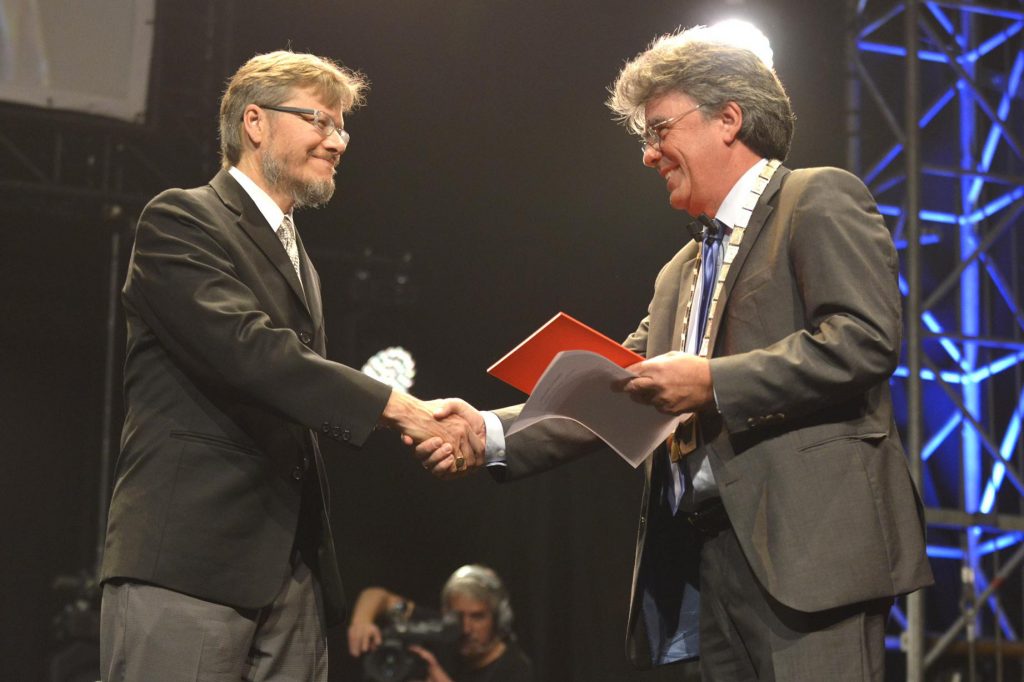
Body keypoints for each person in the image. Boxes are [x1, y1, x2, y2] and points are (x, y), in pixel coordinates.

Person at [417, 26, 934, 681]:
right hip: (700, 560)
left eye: (659, 130)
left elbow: (864, 340)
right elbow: (611, 392)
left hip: (809, 553)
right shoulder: (677, 273)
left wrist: (713, 384)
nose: (648, 154)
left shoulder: (817, 197)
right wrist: (487, 431)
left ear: (728, 119)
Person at [98, 50, 481, 682]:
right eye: (319, 121)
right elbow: (249, 351)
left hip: (290, 571)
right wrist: (402, 409)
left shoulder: (302, 257)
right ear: (254, 121)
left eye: (341, 127)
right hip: (190, 562)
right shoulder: (180, 218)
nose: (337, 142)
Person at [348, 565, 534, 682]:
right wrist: (362, 622)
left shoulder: (515, 670)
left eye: (477, 617)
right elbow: (378, 596)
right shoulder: (439, 629)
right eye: (457, 616)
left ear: (499, 619)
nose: (466, 628)